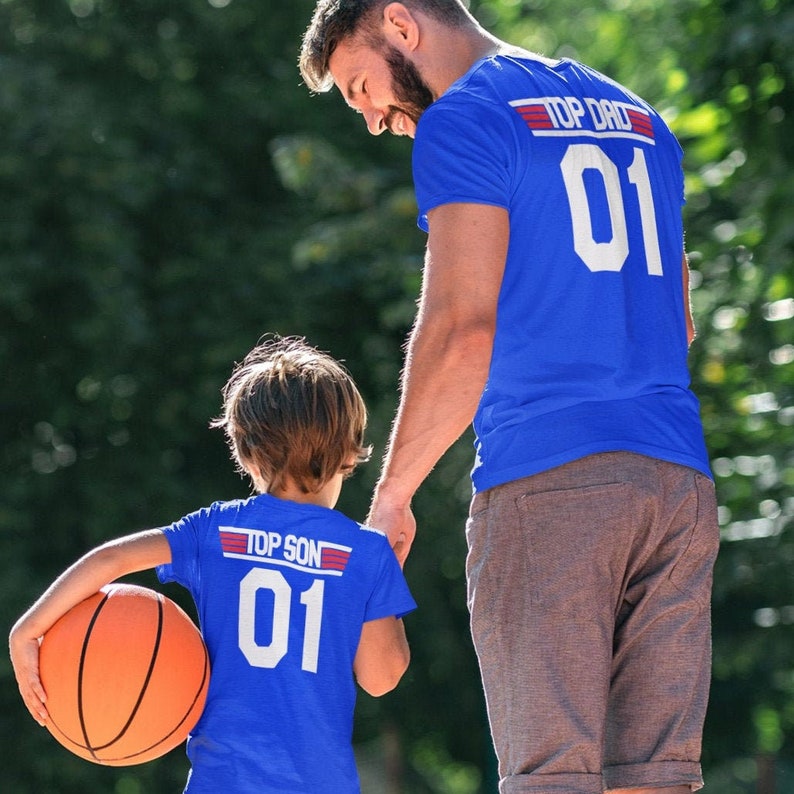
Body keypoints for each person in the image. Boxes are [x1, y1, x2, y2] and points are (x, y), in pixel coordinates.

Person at [299, 3, 720, 794]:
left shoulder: (467, 117)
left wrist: (392, 495)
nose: (376, 122)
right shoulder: (638, 115)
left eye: (364, 87)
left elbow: (461, 331)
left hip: (551, 485)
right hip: (676, 483)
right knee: (654, 781)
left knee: (551, 779)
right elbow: (680, 317)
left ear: (400, 23)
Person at [9, 335, 416, 794]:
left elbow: (112, 559)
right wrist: (381, 581)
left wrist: (28, 630)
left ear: (244, 452)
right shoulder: (364, 552)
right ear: (350, 452)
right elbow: (382, 678)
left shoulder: (216, 530)